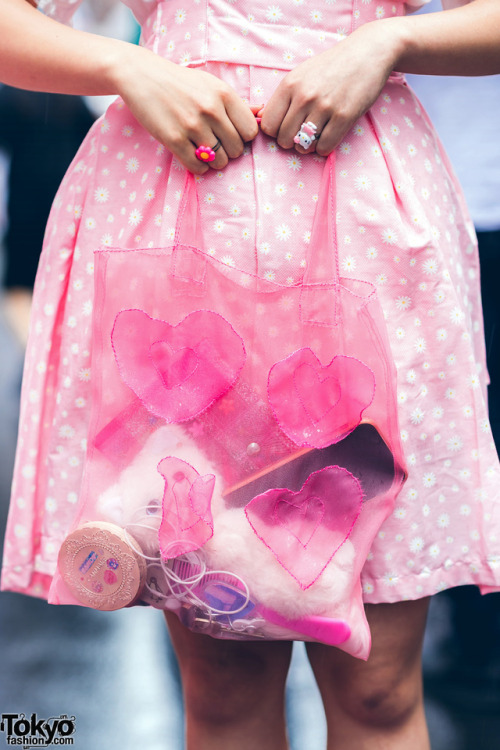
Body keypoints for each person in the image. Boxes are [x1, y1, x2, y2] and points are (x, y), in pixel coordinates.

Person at [1, 0, 500, 748]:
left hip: (368, 232)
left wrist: (390, 40)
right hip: (181, 244)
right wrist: (126, 64)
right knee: (224, 684)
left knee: (379, 688)